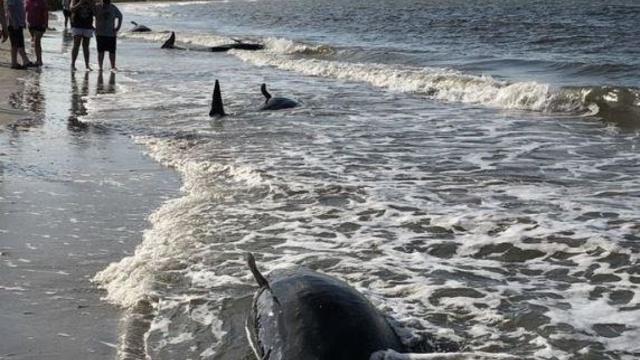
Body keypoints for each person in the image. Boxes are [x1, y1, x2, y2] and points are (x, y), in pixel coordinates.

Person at [94, 0, 121, 72]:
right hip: (100, 33)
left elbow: (120, 16)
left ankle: (113, 67)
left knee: (112, 51)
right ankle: (100, 67)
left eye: (107, 2)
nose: (106, 3)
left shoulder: (113, 7)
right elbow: (90, 15)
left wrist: (118, 27)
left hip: (111, 34)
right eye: (104, 2)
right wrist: (91, 26)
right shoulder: (97, 7)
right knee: (100, 51)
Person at [6, 0, 33, 69]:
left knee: (17, 43)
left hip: (18, 23)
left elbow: (21, 10)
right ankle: (22, 61)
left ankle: (18, 62)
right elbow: (10, 8)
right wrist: (14, 22)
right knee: (17, 43)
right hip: (14, 24)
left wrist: (23, 22)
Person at [70, 0, 94, 71]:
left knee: (86, 46)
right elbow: (71, 9)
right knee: (76, 44)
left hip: (88, 25)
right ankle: (73, 64)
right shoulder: (75, 0)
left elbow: (95, 10)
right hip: (77, 25)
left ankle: (87, 65)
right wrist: (80, 3)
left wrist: (90, 3)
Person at [26, 0, 48, 66]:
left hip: (40, 24)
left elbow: (45, 12)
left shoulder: (42, 2)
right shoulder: (27, 1)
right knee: (35, 41)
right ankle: (36, 58)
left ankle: (39, 60)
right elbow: (25, 11)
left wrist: (46, 23)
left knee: (37, 41)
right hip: (31, 25)